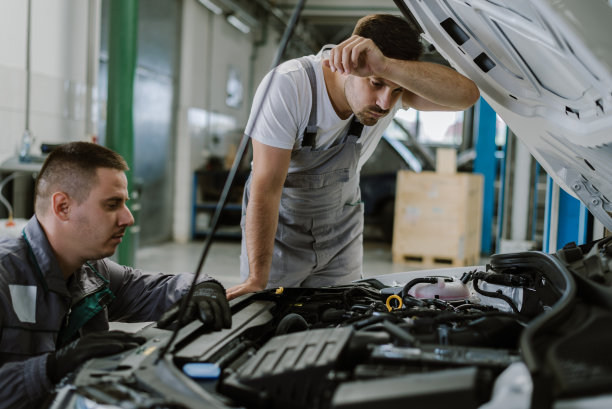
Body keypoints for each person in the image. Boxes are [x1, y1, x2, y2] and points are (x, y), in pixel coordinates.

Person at [227, 14, 480, 301]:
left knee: (341, 318)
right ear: (348, 64)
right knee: (272, 320)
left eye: (396, 89)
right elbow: (266, 187)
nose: (386, 103)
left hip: (341, 235)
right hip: (282, 237)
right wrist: (257, 279)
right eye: (376, 83)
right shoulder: (289, 86)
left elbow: (467, 95)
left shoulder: (388, 86)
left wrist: (387, 68)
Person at [0, 142, 231, 409]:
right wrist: (51, 369)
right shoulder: (5, 277)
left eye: (125, 204)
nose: (128, 218)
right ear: (63, 207)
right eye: (112, 205)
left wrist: (203, 288)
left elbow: (159, 288)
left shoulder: (92, 273)